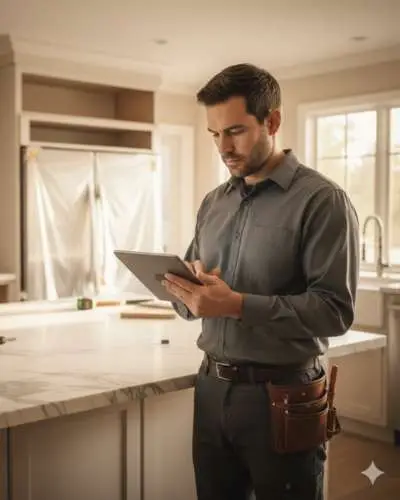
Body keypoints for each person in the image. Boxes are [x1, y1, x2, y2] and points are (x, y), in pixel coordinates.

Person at [162, 63, 359, 500]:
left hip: (286, 395)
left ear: (272, 121)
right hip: (211, 389)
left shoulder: (322, 201)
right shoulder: (214, 202)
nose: (223, 147)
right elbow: (191, 298)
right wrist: (185, 289)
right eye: (214, 134)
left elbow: (335, 311)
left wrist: (234, 304)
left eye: (235, 131)